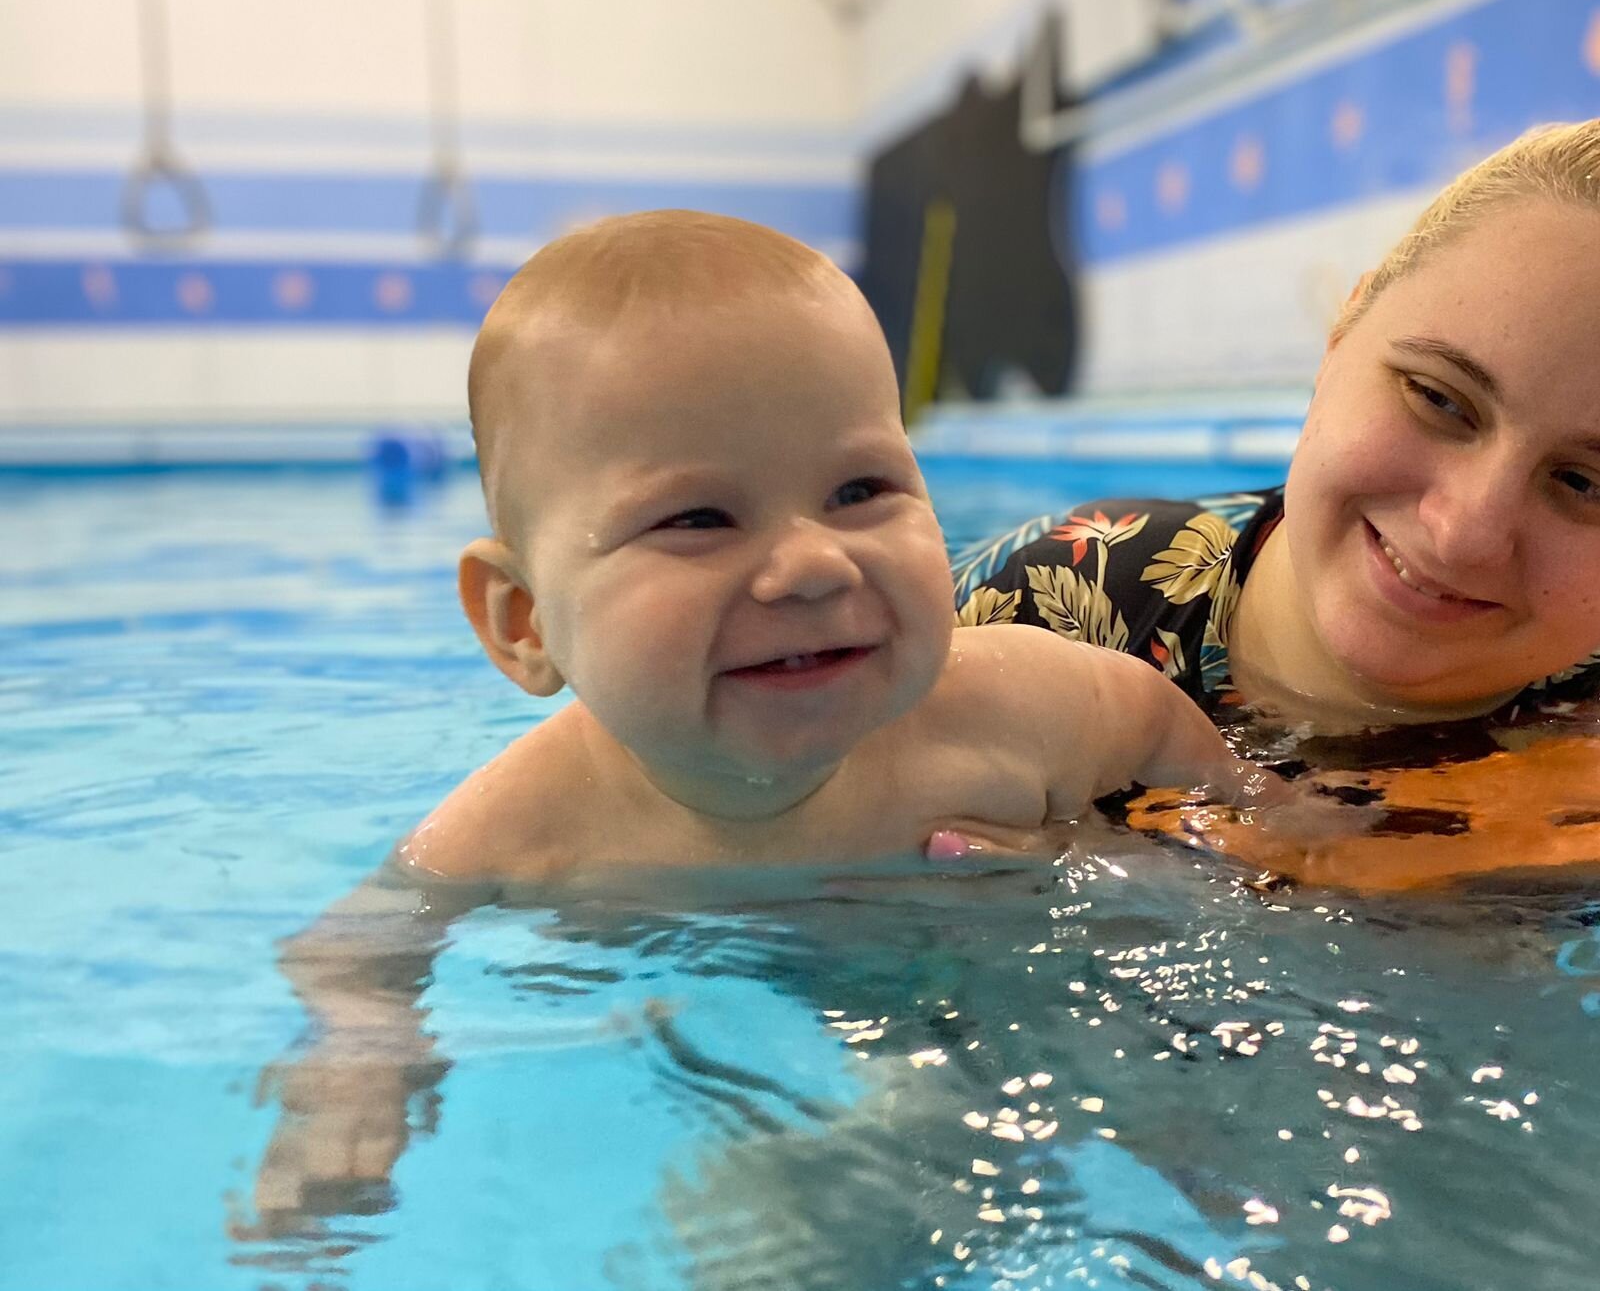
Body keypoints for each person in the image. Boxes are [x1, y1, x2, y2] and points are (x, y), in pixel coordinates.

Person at [237, 210, 1289, 1234]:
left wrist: (1249, 837)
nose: (813, 563)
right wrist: (359, 1060)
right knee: (767, 1230)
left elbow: (1161, 722)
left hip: (1009, 974)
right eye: (698, 518)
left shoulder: (1006, 701)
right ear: (524, 624)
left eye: (861, 487)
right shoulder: (537, 818)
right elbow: (353, 951)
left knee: (1218, 1133)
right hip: (762, 1022)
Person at [955, 119, 1600, 734]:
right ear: (1342, 332)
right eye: (1439, 399)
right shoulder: (1051, 609)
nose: (1463, 534)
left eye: (1584, 482)